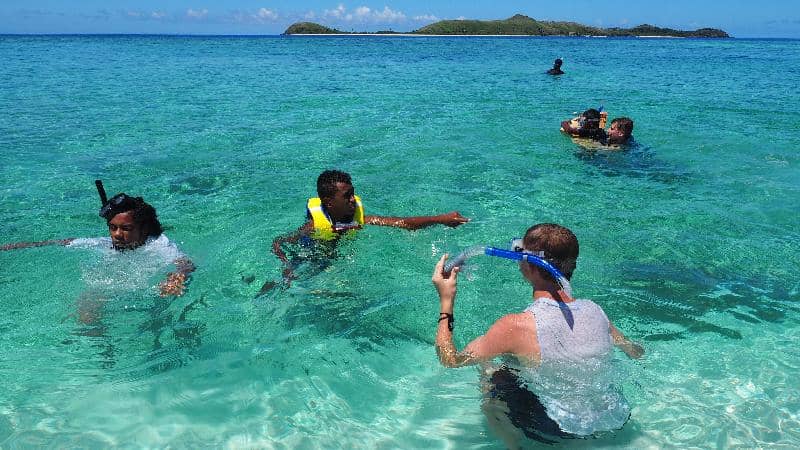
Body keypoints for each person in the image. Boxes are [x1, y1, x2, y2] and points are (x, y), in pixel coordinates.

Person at [431, 223, 643, 445]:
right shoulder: (596, 310)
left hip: (557, 429)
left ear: (528, 264)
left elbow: (450, 359)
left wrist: (446, 300)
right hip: (614, 416)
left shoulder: (514, 326)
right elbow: (634, 350)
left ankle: (513, 445)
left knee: (492, 371)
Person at [265, 169, 469, 291]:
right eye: (347, 196)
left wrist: (440, 219)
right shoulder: (312, 227)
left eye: (353, 193)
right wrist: (287, 267)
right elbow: (278, 242)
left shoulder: (360, 220)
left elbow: (403, 223)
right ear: (328, 202)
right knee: (285, 285)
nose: (353, 199)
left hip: (334, 263)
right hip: (310, 257)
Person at [1, 190, 194, 297]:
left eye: (125, 229)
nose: (117, 234)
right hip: (113, 287)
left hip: (145, 290)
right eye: (112, 227)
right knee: (88, 300)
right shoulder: (105, 244)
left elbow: (185, 263)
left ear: (143, 229)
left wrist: (176, 279)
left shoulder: (158, 244)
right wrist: (18, 246)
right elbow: (64, 242)